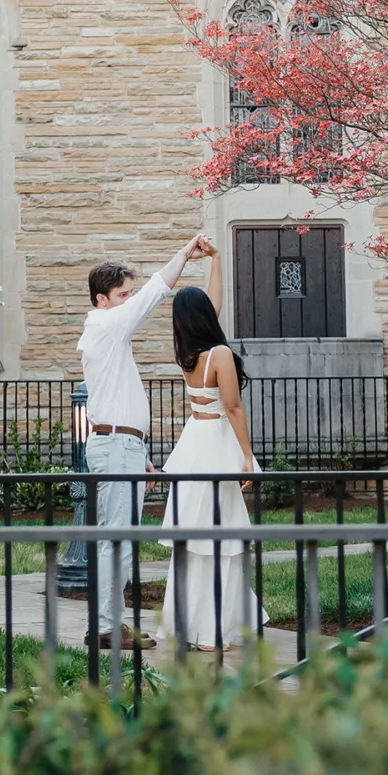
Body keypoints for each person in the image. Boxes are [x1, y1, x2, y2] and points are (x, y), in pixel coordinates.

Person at [78, 233, 210, 650]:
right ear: (102, 299)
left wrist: (141, 455)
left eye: (128, 294)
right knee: (114, 539)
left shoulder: (111, 336)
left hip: (124, 447)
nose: (128, 301)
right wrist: (184, 255)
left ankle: (111, 623)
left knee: (119, 540)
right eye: (122, 295)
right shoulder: (104, 324)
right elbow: (156, 292)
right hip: (115, 447)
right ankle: (105, 627)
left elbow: (119, 403)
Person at [160, 242, 266, 653]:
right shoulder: (220, 354)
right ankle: (213, 631)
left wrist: (218, 260)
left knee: (195, 540)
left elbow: (212, 306)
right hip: (218, 442)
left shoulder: (188, 353)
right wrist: (246, 457)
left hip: (193, 444)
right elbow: (234, 407)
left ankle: (189, 625)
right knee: (220, 539)